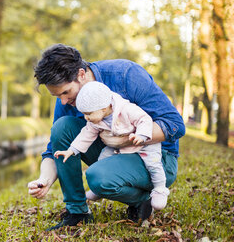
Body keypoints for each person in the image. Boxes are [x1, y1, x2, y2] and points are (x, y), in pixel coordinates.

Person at [27, 44, 185, 230]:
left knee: (98, 178)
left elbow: (175, 125)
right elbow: (53, 149)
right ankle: (77, 212)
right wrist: (44, 180)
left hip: (156, 157)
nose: (63, 101)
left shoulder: (126, 75)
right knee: (62, 127)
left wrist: (127, 139)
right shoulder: (67, 100)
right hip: (114, 152)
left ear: (81, 74)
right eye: (56, 96)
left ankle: (145, 199)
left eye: (65, 92)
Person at [53, 81, 170, 211]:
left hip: (143, 144)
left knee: (153, 163)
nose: (86, 118)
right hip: (117, 145)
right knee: (103, 158)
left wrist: (141, 135)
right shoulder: (95, 118)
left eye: (88, 114)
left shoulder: (126, 109)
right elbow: (86, 134)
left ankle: (160, 189)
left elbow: (144, 119)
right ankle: (98, 189)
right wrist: (72, 150)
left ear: (104, 108)